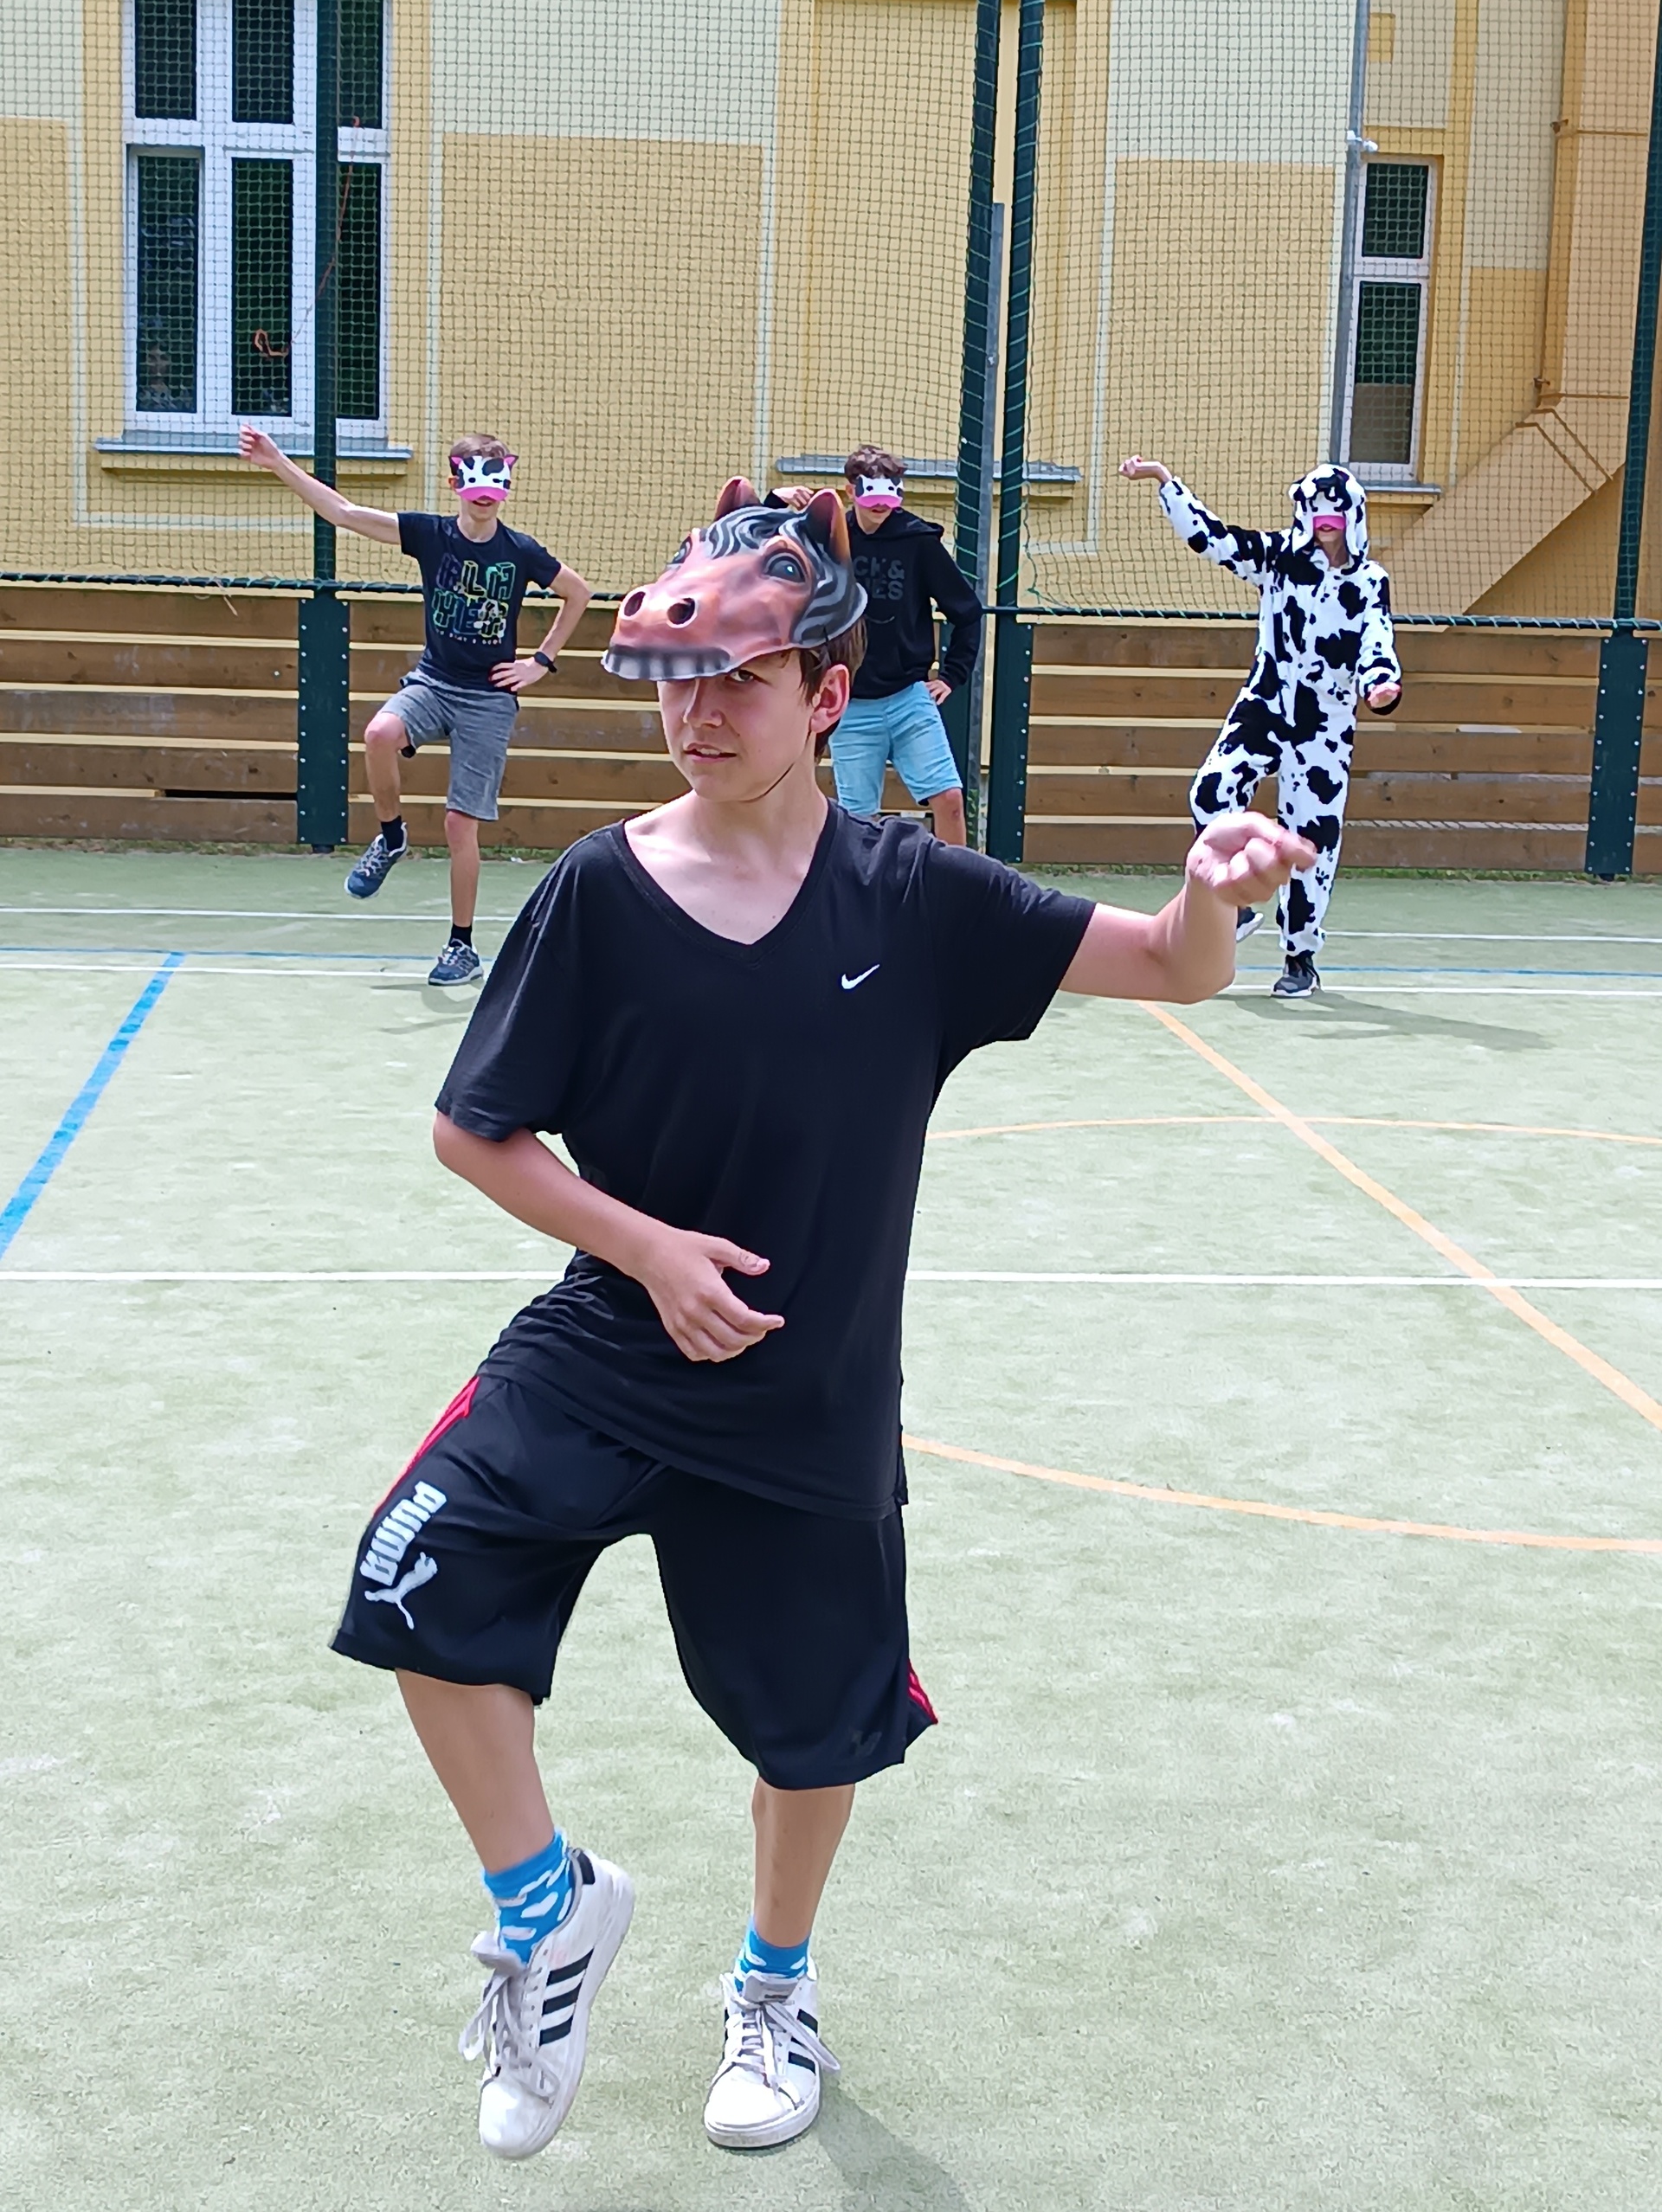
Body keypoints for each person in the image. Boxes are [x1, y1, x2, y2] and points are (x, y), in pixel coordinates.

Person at [329, 475, 1314, 2165]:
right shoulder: (597, 891)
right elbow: (472, 1130)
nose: (699, 713)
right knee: (411, 1578)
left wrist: (1216, 893)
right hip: (609, 1352)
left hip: (807, 1400)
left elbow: (1169, 964)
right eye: (677, 681)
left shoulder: (912, 898)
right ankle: (548, 1911)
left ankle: (772, 1988)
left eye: (741, 679)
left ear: (828, 694)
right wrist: (648, 1249)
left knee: (812, 1729)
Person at [239, 428, 593, 985]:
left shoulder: (520, 551)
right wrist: (278, 461)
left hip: (488, 698)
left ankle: (461, 946)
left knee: (459, 824)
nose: (484, 494)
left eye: (495, 482)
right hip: (434, 681)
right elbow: (344, 512)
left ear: (506, 487)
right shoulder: (431, 535)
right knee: (379, 734)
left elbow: (579, 593)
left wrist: (540, 662)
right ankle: (391, 836)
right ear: (455, 485)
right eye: (473, 481)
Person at [1119, 457, 1402, 998]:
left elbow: (1377, 639)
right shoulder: (1278, 559)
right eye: (1313, 510)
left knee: (1312, 843)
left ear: (1352, 517)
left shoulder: (1369, 582)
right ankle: (1238, 905)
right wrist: (1165, 482)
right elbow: (1215, 540)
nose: (1323, 521)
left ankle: (1300, 956)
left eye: (1333, 512)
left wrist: (1380, 684)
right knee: (1211, 791)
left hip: (1324, 726)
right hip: (1266, 705)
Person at [774, 446, 980, 842]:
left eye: (891, 491)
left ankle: (960, 880)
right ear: (851, 491)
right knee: (858, 819)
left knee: (949, 798)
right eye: (871, 492)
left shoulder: (918, 541)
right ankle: (865, 883)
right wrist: (776, 501)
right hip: (852, 705)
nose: (881, 504)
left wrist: (951, 675)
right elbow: (763, 546)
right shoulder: (829, 538)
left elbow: (966, 611)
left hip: (908, 698)